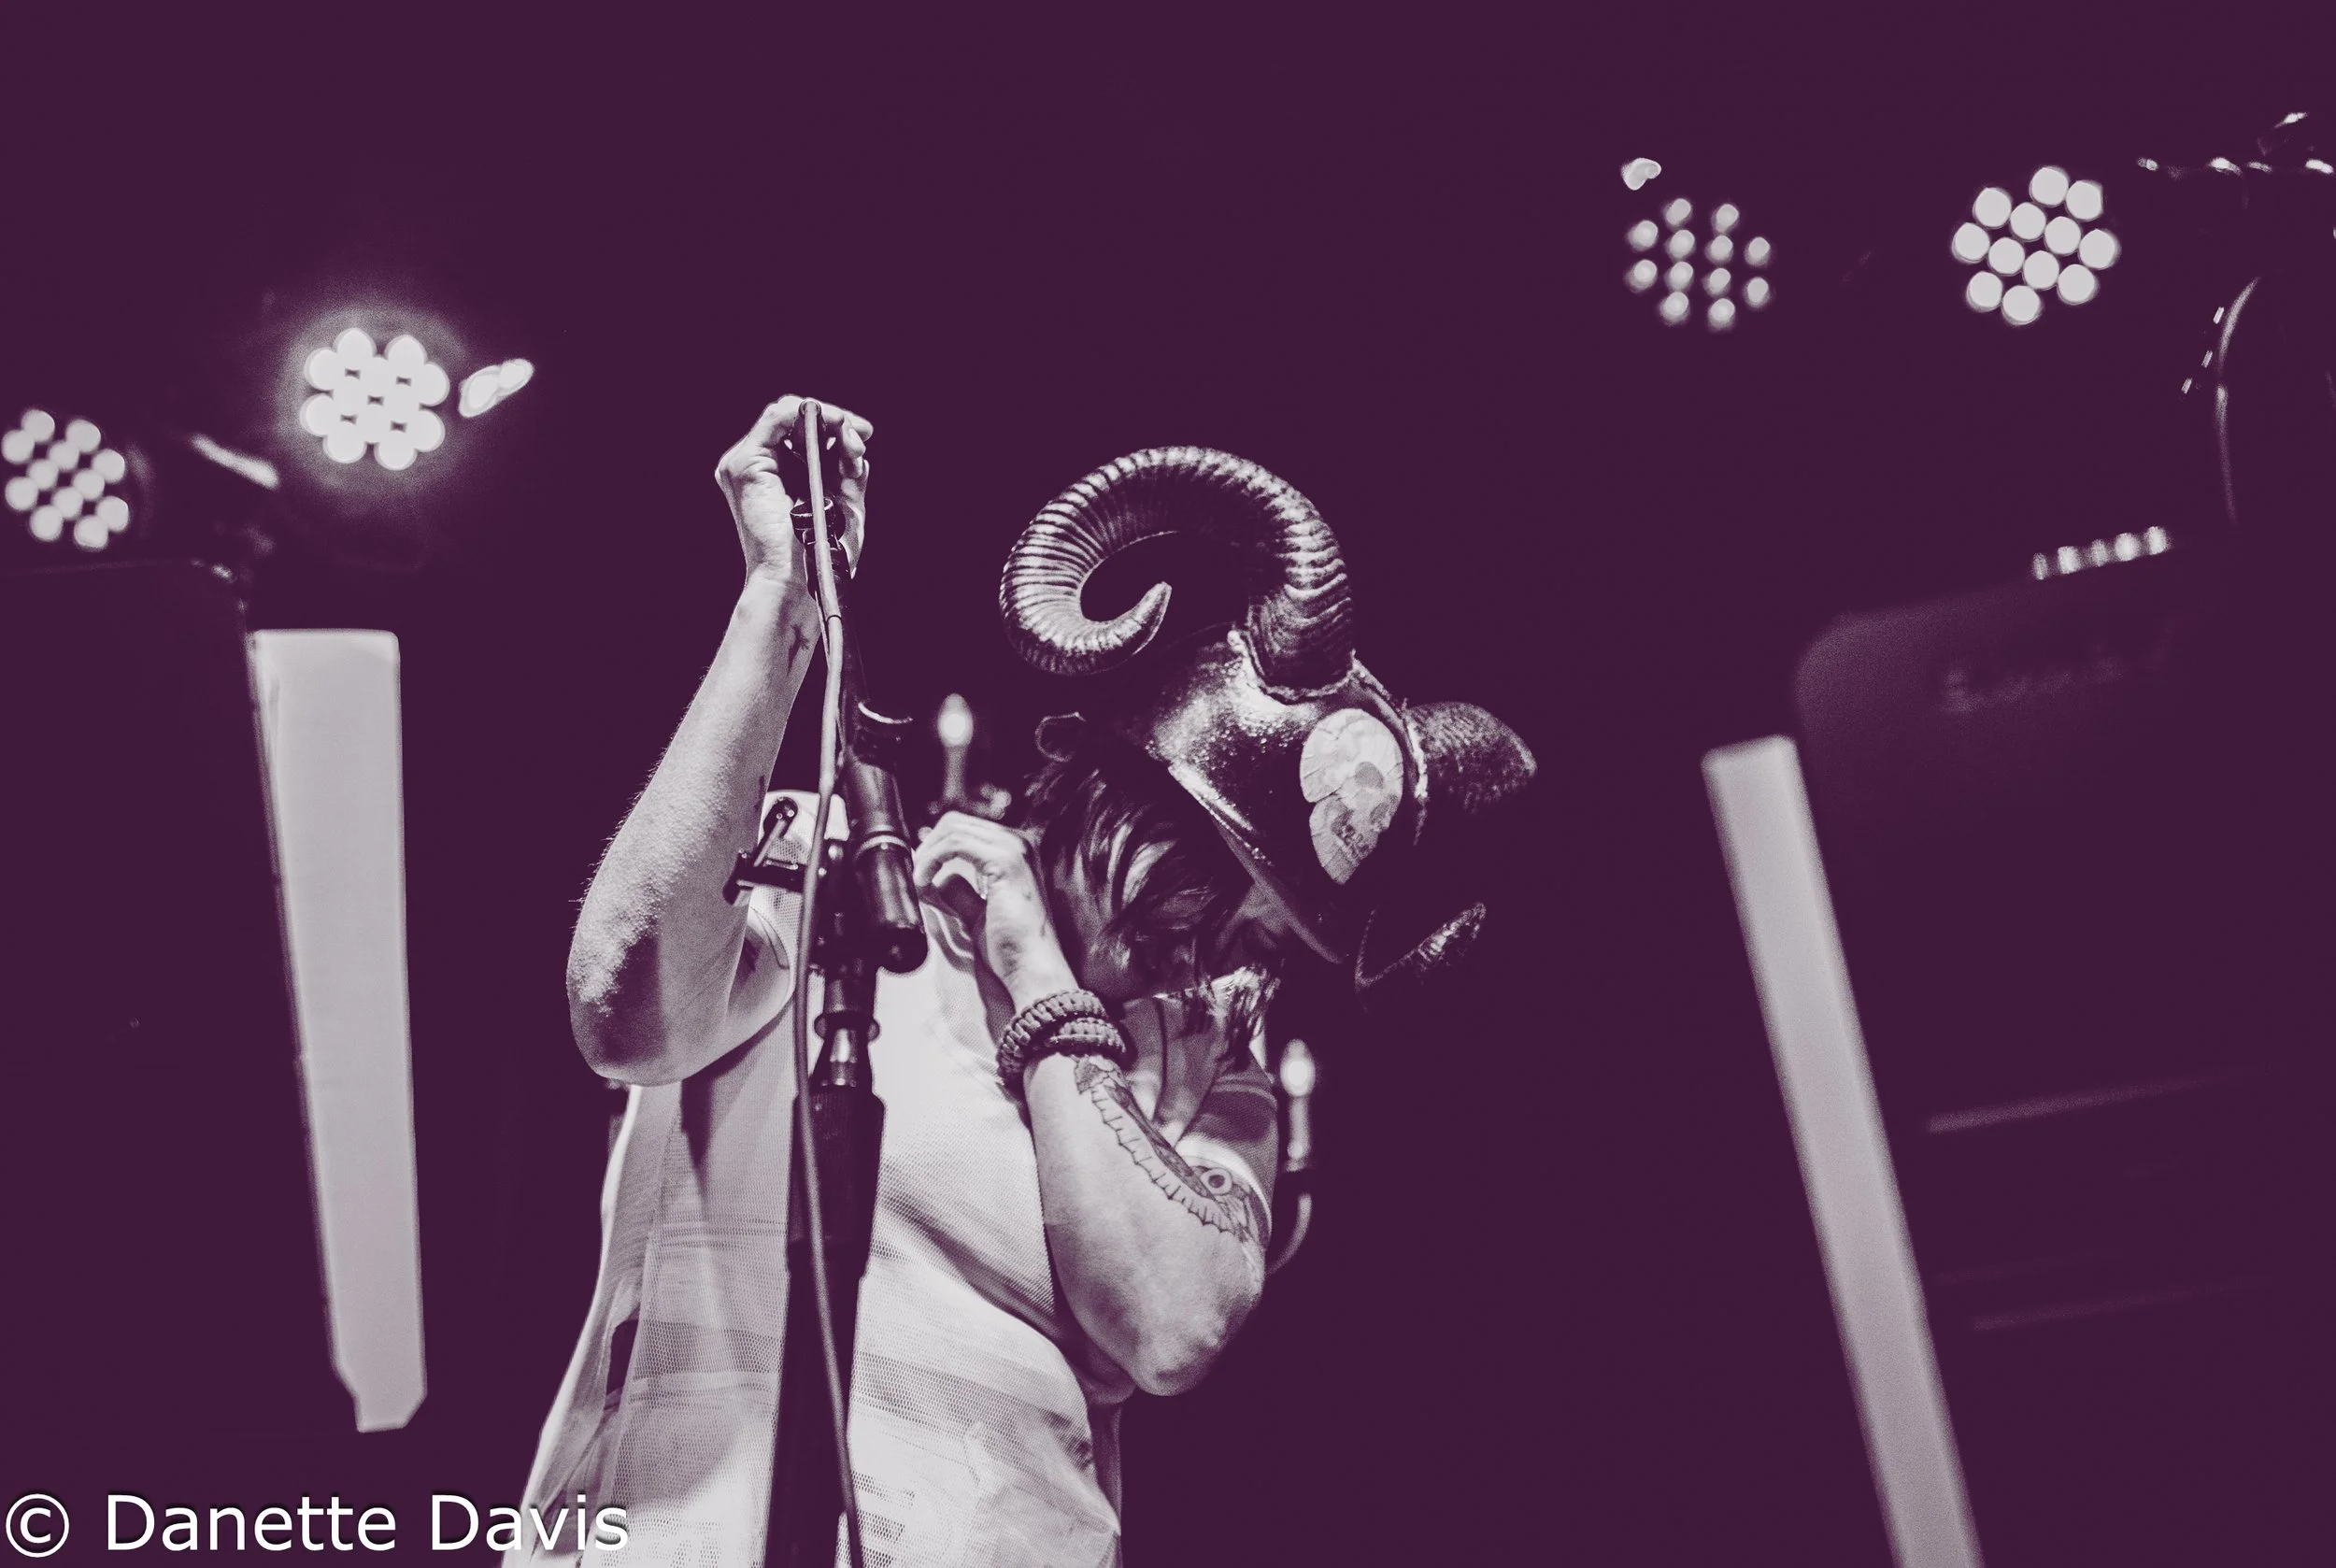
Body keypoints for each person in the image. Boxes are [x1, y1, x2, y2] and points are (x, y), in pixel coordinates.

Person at [514, 397, 1533, 1566]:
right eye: (1239, 884)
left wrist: (1038, 981)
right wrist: (780, 602)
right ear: (1134, 801)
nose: (1259, 943)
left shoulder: (1216, 1081)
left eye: (1290, 924)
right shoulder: (836, 874)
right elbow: (626, 1013)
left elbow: (1171, 1327)